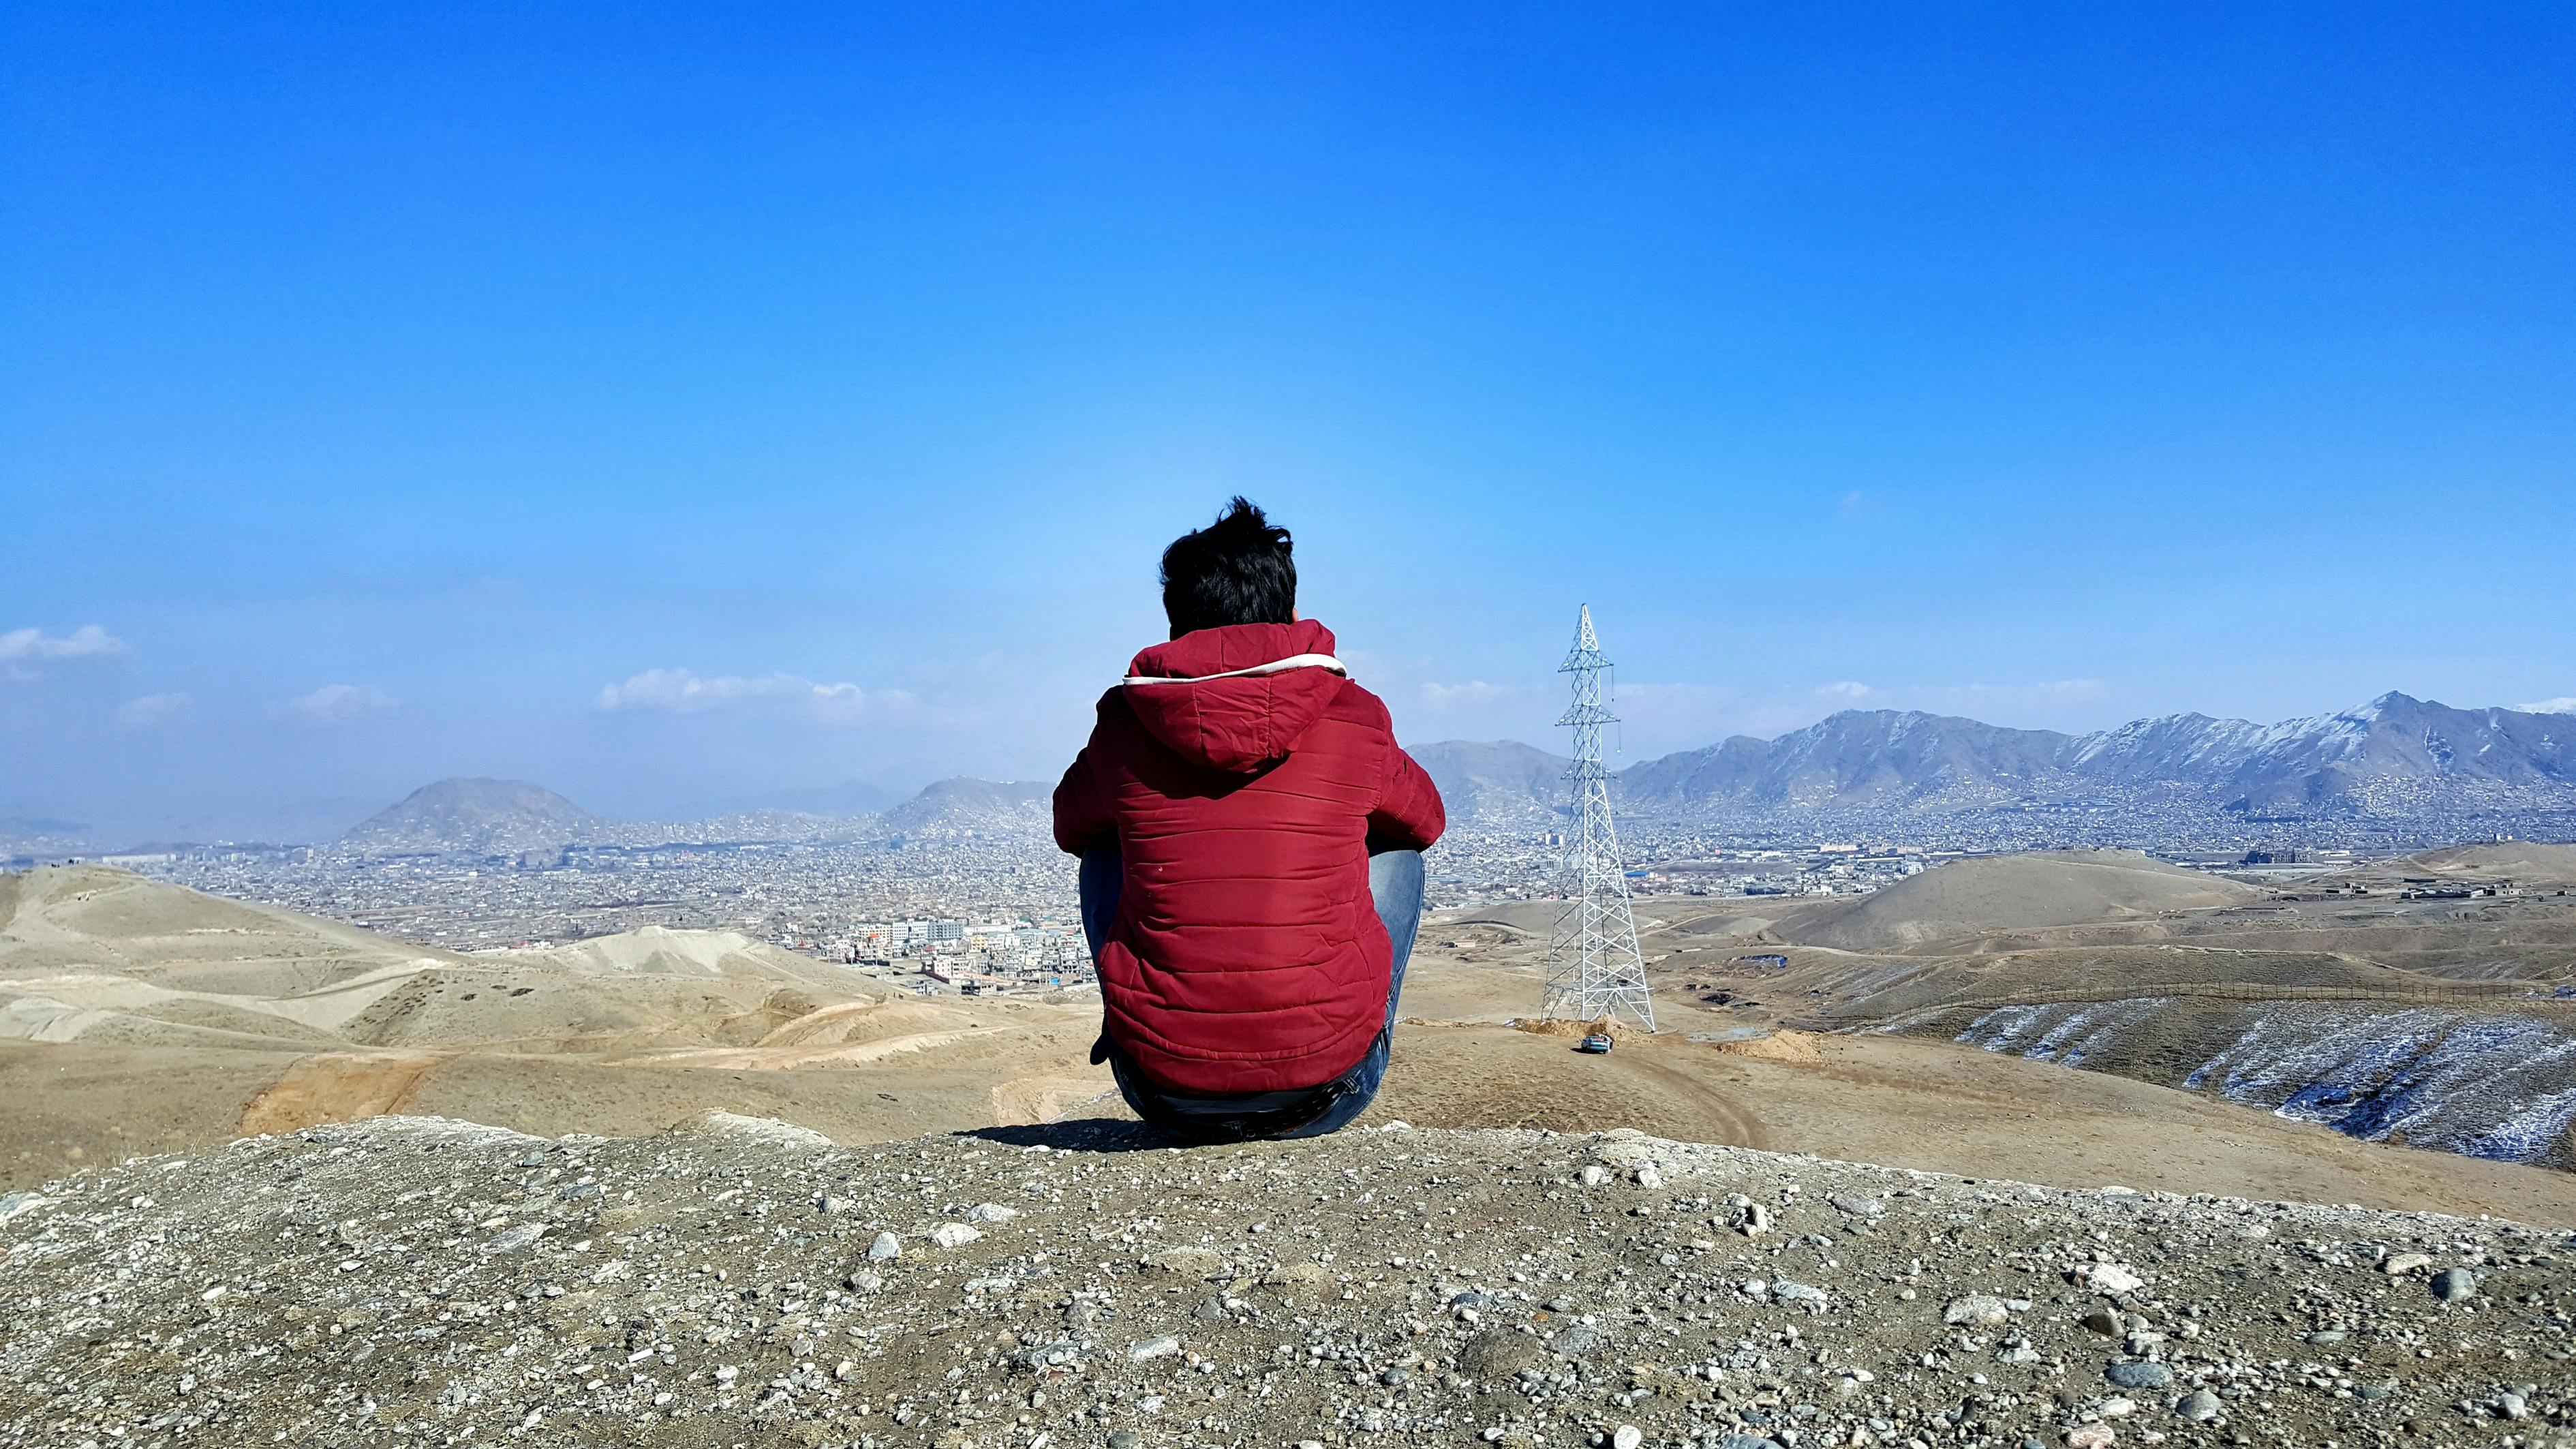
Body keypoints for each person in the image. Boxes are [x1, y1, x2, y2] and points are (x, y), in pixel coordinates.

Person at [1053, 498, 1446, 1143]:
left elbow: (1070, 824)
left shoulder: (1126, 723)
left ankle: (1137, 1029)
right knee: (1399, 850)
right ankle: (1361, 1030)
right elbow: (1426, 822)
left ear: (1176, 623)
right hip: (1327, 1093)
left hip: (1161, 1090)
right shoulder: (1354, 713)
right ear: (1288, 612)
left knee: (1103, 846)